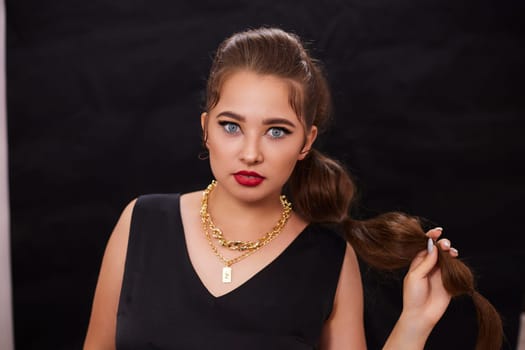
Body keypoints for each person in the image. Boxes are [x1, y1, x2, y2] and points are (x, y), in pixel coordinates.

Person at [84, 27, 502, 349]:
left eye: (277, 131)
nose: (250, 153)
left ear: (306, 142)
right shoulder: (140, 222)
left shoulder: (331, 259)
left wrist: (415, 320)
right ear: (205, 128)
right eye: (231, 125)